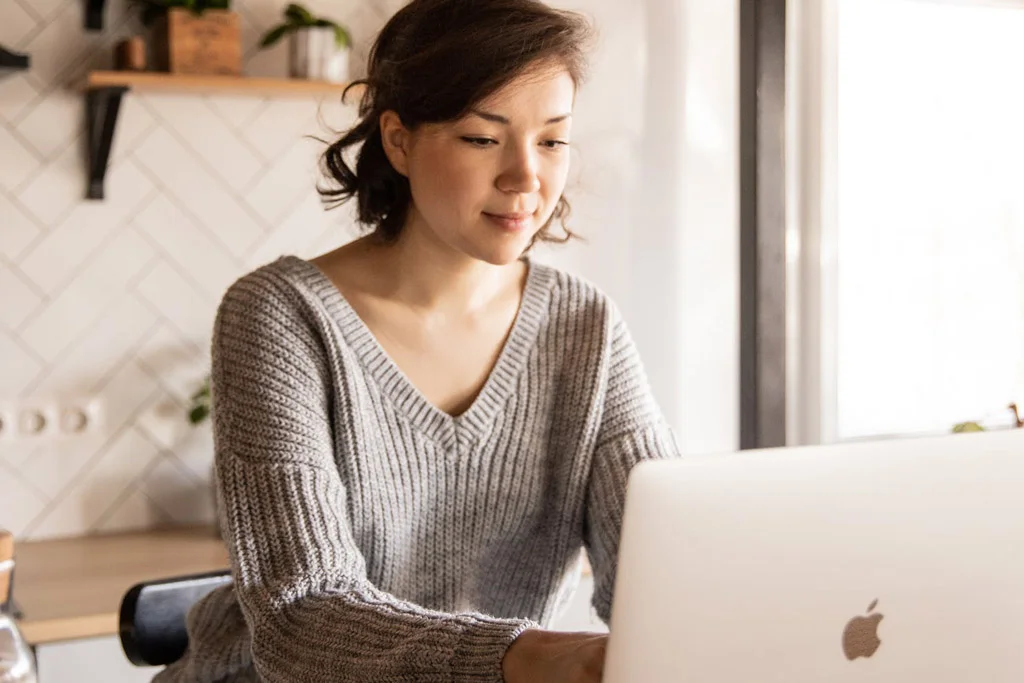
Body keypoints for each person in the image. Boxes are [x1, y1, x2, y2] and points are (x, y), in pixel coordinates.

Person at [154, 0, 680, 681]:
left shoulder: (585, 327)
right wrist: (531, 656)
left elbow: (661, 564)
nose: (526, 177)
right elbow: (302, 616)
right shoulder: (281, 316)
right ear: (399, 140)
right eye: (482, 138)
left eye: (551, 140)